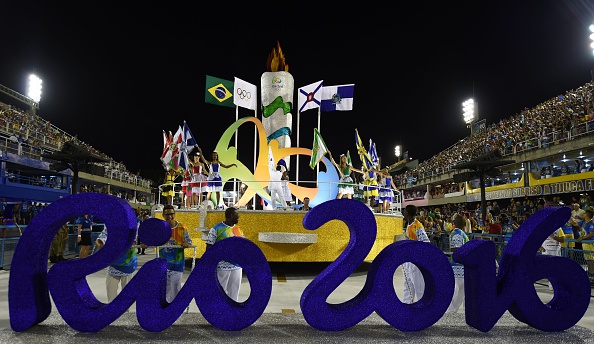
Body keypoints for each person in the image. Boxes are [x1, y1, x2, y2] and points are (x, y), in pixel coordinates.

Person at [205, 207, 244, 301]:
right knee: (219, 293)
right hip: (222, 267)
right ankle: (218, 313)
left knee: (234, 293)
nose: (238, 217)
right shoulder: (216, 229)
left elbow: (243, 246)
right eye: (237, 215)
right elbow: (209, 248)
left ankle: (232, 313)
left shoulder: (239, 229)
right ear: (231, 215)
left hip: (237, 267)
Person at [159, 204, 193, 303]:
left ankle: (175, 309)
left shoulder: (182, 227)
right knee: (164, 290)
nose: (169, 217)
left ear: (175, 214)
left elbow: (189, 242)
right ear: (163, 215)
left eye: (171, 214)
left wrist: (187, 244)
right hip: (163, 265)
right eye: (167, 215)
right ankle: (165, 310)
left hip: (177, 265)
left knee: (176, 289)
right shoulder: (160, 228)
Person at [95, 225, 138, 302]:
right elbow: (102, 236)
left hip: (127, 264)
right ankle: (113, 312)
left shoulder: (131, 224)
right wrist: (100, 243)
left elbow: (133, 241)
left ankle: (125, 312)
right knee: (111, 291)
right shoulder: (110, 223)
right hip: (113, 264)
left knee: (126, 293)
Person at [402, 204, 430, 304]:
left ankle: (421, 308)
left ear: (407, 213)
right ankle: (407, 306)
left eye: (405, 211)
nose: (404, 213)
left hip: (415, 261)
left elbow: (426, 243)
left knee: (418, 287)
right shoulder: (408, 225)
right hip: (407, 260)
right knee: (408, 286)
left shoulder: (418, 226)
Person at [446, 214, 469, 313]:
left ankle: (452, 311)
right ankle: (451, 311)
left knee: (460, 292)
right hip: (459, 267)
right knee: (458, 292)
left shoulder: (457, 233)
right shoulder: (458, 234)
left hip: (459, 267)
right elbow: (456, 249)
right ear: (464, 224)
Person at [539, 224, 564, 290]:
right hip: (546, 250)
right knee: (547, 268)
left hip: (555, 251)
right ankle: (551, 283)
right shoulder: (543, 228)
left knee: (556, 268)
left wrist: (553, 236)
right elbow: (538, 238)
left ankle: (556, 284)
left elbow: (562, 240)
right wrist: (540, 247)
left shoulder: (559, 228)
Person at [577, 209, 594, 281]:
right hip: (585, 243)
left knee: (591, 258)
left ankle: (592, 273)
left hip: (590, 243)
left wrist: (582, 238)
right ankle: (590, 272)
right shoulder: (584, 222)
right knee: (587, 258)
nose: (583, 215)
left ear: (587, 215)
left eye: (584, 214)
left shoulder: (591, 223)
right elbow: (576, 224)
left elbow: (592, 233)